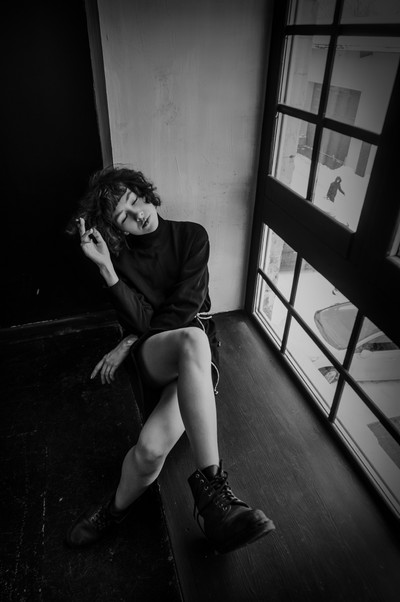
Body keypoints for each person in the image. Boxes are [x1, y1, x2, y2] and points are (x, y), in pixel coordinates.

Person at [65, 166, 275, 554]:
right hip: (159, 354)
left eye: (135, 200)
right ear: (118, 229)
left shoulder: (192, 237)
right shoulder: (121, 261)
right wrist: (107, 268)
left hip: (193, 356)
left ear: (146, 193)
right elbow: (146, 321)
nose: (137, 214)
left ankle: (113, 512)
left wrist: (128, 340)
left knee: (149, 449)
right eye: (123, 217)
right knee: (192, 338)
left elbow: (183, 309)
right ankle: (216, 492)